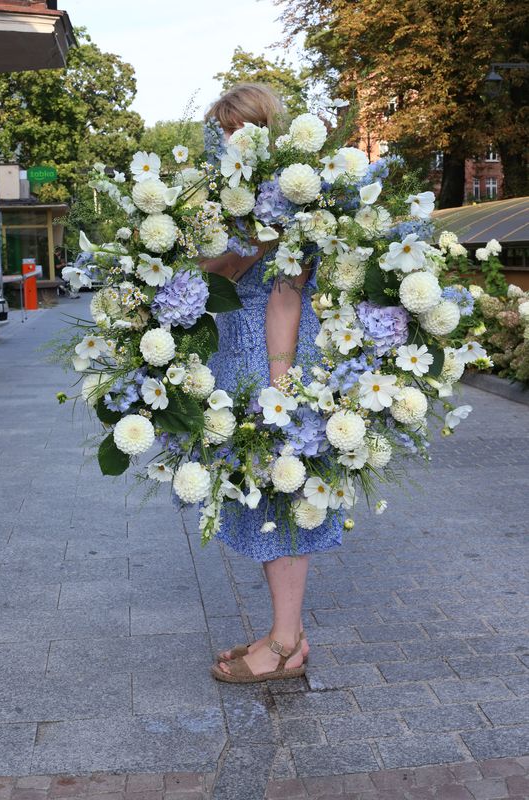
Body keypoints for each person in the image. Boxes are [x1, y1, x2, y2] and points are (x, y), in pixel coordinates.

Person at [201, 84, 343, 684]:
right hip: (239, 351)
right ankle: (286, 630)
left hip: (273, 356)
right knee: (265, 496)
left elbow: (285, 299)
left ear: (265, 131)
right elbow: (211, 275)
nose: (229, 139)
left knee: (283, 493)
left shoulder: (292, 197)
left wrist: (279, 389)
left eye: (240, 127)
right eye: (223, 129)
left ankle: (285, 646)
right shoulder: (236, 200)